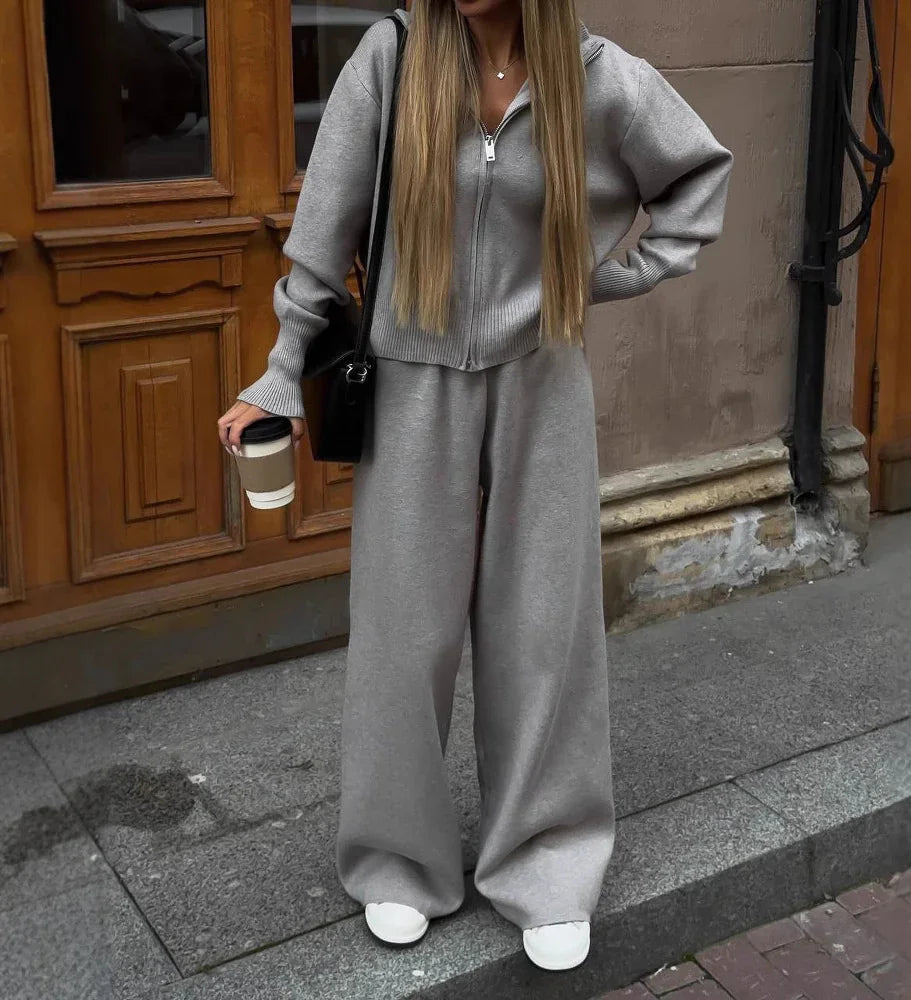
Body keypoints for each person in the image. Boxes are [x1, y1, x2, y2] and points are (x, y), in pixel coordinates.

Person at [218, 0, 732, 972]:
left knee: (545, 629)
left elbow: (698, 175)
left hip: (543, 381)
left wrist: (603, 279)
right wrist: (281, 372)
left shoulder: (591, 75)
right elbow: (321, 229)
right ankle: (399, 860)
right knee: (402, 634)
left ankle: (545, 863)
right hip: (410, 387)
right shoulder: (392, 59)